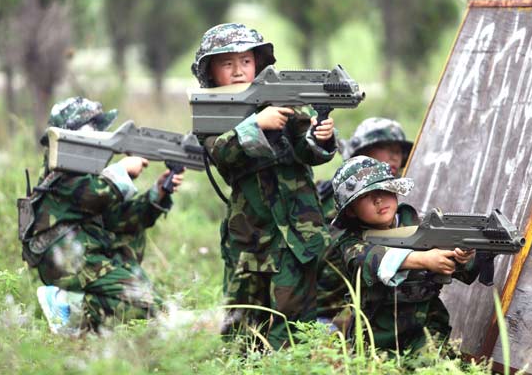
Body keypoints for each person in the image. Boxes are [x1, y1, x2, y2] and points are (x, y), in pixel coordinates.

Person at [191, 23, 336, 349]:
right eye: (227, 63)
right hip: (249, 236)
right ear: (211, 73)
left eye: (245, 61)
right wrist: (256, 124)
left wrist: (320, 138)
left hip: (297, 236)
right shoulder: (215, 112)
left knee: (291, 324)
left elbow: (308, 151)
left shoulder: (285, 99)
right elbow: (222, 154)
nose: (238, 70)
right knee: (241, 325)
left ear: (258, 62)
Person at [18, 97, 184, 335]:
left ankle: (79, 308)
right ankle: (69, 306)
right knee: (153, 311)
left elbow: (121, 220)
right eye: (92, 130)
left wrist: (157, 194)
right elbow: (95, 195)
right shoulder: (62, 177)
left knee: (149, 308)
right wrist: (123, 170)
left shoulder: (88, 175)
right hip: (66, 260)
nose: (100, 136)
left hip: (89, 255)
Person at [322, 155, 477, 353]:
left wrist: (462, 258)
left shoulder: (423, 226)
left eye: (383, 189)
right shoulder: (350, 240)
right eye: (365, 196)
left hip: (426, 330)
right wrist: (423, 259)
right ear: (351, 210)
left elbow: (465, 273)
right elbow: (364, 259)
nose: (378, 199)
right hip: (376, 336)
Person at [317, 117, 413, 327]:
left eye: (398, 150)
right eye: (385, 148)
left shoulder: (400, 198)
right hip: (330, 307)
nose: (394, 156)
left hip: (388, 311)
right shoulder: (330, 200)